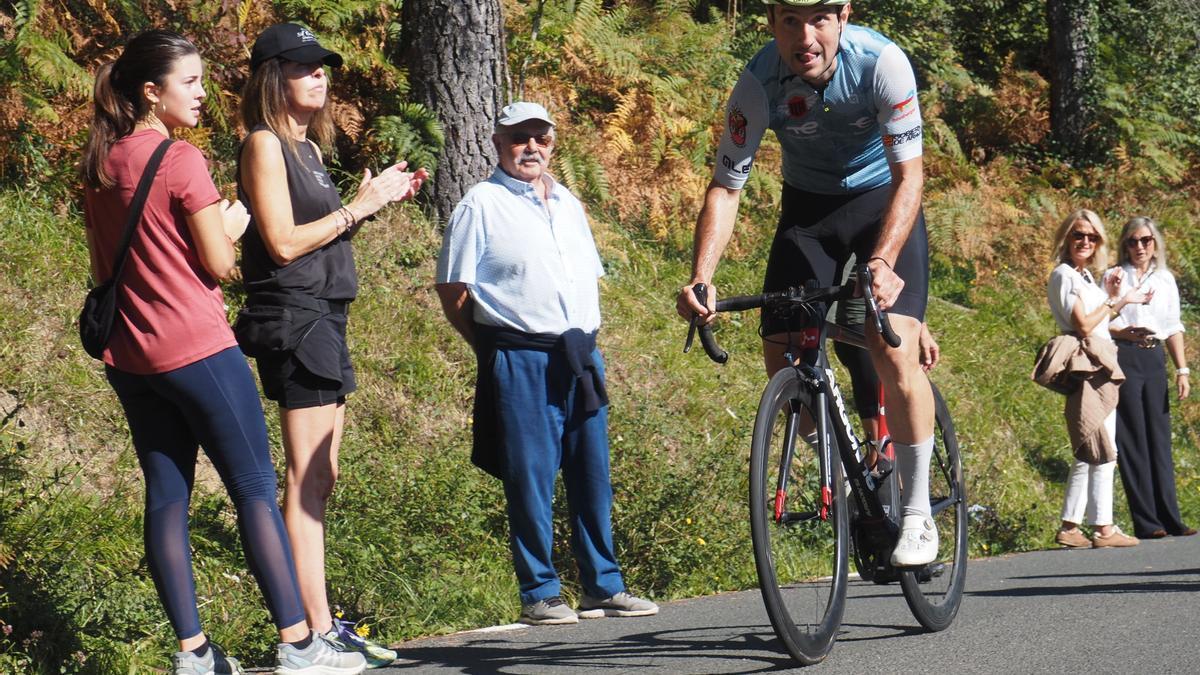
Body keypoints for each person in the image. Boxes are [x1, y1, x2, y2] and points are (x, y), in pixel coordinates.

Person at [81, 29, 365, 674]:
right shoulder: (179, 159)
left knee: (165, 498)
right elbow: (220, 264)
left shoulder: (101, 161)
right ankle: (299, 644)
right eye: (192, 83)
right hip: (198, 347)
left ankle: (195, 654)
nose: (205, 95)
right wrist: (230, 229)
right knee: (256, 491)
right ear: (152, 92)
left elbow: (104, 267)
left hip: (130, 355)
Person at [675, 0, 939, 566]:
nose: (806, 36)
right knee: (781, 351)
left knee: (891, 343)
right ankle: (842, 463)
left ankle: (917, 514)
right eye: (790, 20)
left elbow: (909, 174)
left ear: (843, 16)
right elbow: (725, 186)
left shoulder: (880, 63)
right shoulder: (758, 80)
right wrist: (702, 276)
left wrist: (886, 260)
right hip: (809, 210)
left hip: (882, 202)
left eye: (819, 18)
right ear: (771, 23)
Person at [236, 23, 427, 668]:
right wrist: (360, 206)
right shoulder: (264, 144)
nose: (320, 74)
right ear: (273, 77)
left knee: (323, 476)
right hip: (296, 319)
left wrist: (380, 197)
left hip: (324, 316)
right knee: (306, 477)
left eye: (323, 66)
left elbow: (313, 237)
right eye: (305, 66)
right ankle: (310, 635)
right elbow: (283, 243)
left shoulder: (306, 149)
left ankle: (321, 628)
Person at [435, 101, 658, 626]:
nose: (531, 147)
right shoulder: (480, 204)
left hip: (580, 355)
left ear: (553, 142)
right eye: (519, 138)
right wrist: (489, 347)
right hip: (519, 355)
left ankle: (604, 586)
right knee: (530, 476)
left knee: (592, 473)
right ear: (497, 143)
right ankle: (540, 592)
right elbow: (452, 289)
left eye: (541, 137)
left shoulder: (570, 204)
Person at [1044, 210, 1145, 549]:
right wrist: (1118, 300)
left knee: (1093, 444)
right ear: (1067, 238)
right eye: (1078, 235)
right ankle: (1103, 527)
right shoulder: (1064, 275)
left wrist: (1110, 297)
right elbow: (1083, 325)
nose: (1085, 242)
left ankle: (1073, 526)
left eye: (1092, 237)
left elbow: (1097, 321)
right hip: (1089, 362)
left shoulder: (1082, 276)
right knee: (1100, 445)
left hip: (1101, 359)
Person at [1105, 217, 1196, 539]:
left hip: (1155, 357)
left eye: (1145, 240)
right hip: (1125, 354)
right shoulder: (1114, 275)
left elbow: (1173, 326)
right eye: (1133, 241)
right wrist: (1122, 330)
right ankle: (1147, 521)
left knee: (1159, 438)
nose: (1140, 247)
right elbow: (1102, 318)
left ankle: (1171, 517)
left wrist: (1182, 370)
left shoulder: (1166, 279)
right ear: (1124, 244)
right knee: (1132, 439)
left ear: (1155, 243)